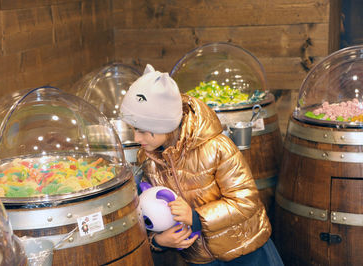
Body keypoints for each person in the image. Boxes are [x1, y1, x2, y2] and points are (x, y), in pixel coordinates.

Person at [120, 64, 283, 265]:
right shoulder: (148, 161)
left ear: (166, 125)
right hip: (201, 260)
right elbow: (147, 212)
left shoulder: (216, 147)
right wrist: (159, 241)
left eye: (143, 131)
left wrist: (195, 217)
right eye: (134, 129)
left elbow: (246, 201)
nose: (137, 138)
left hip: (246, 252)